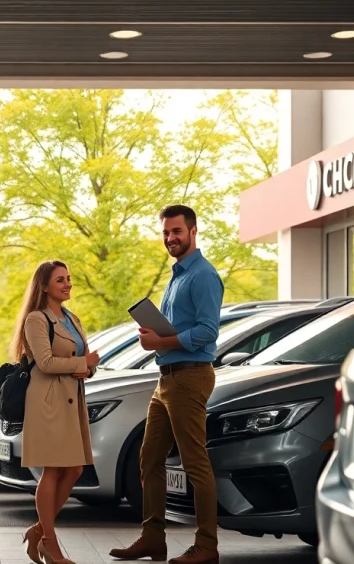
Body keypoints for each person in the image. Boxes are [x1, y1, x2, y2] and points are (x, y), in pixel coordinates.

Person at [110, 205, 224, 564]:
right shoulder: (177, 276)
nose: (170, 238)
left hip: (191, 376)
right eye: (165, 233)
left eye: (176, 231)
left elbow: (208, 332)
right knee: (149, 460)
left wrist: (159, 342)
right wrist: (155, 334)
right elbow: (177, 329)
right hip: (167, 379)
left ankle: (207, 546)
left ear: (193, 231)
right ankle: (152, 539)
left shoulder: (203, 275)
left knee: (195, 463)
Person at [12, 260, 101, 564]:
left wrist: (88, 369)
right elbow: (47, 363)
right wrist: (83, 365)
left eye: (69, 279)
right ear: (45, 286)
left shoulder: (73, 318)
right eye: (60, 280)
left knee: (75, 469)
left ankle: (38, 531)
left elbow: (84, 359)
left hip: (72, 400)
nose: (67, 284)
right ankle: (50, 543)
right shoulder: (36, 320)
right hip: (48, 402)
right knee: (53, 470)